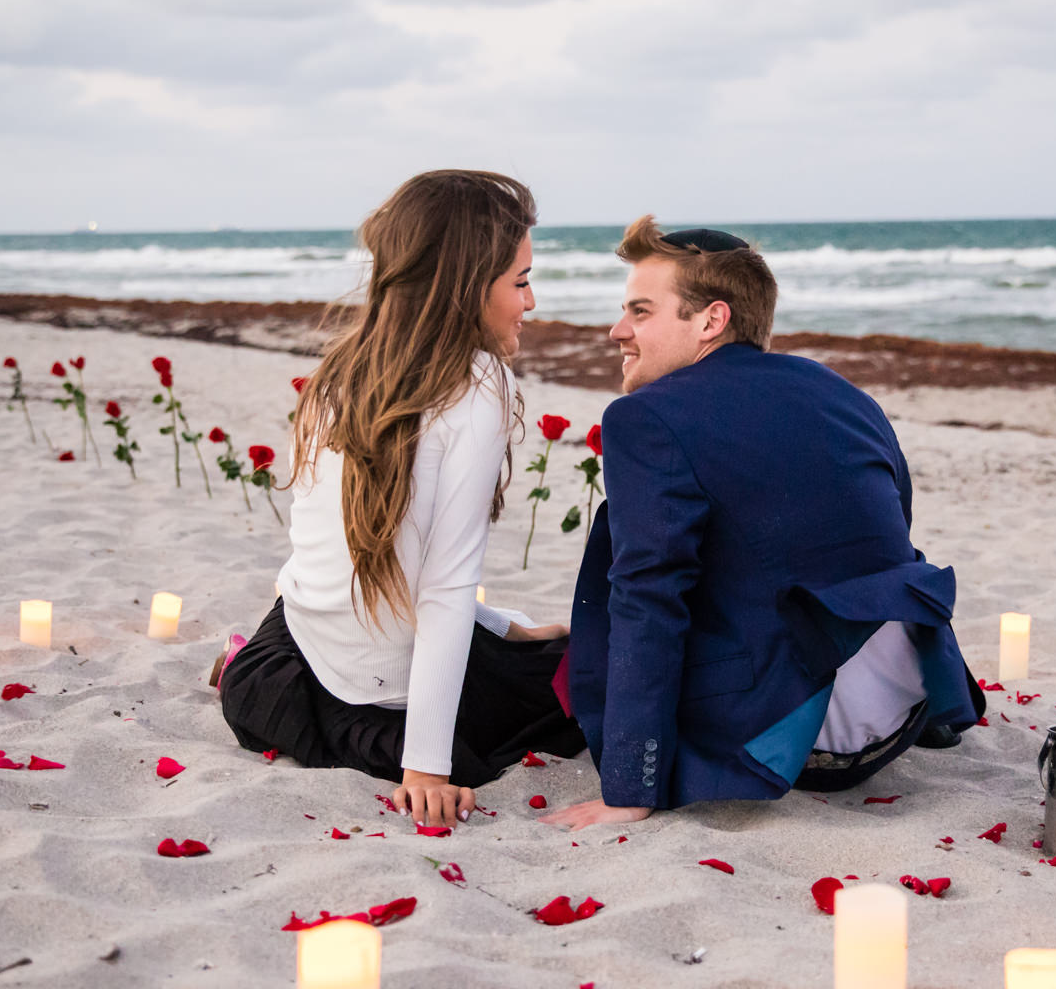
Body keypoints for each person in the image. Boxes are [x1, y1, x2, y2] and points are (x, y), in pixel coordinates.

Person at [541, 218, 982, 830]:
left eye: (640, 311)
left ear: (711, 320)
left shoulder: (645, 417)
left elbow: (649, 597)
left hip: (790, 740)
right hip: (903, 709)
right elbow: (891, 529)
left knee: (546, 673)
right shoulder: (841, 391)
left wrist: (630, 785)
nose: (618, 330)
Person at [220, 169, 585, 827]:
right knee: (585, 678)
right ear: (468, 286)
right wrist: (426, 767)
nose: (531, 303)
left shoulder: (347, 368)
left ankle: (240, 663)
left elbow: (323, 555)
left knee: (526, 642)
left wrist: (501, 625)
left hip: (281, 671)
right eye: (521, 281)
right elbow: (444, 585)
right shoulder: (478, 382)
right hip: (388, 700)